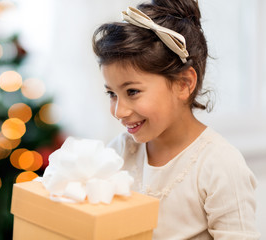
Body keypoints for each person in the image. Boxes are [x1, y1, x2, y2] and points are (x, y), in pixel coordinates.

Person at [92, 0, 260, 239]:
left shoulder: (219, 165)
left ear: (184, 84)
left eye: (132, 92)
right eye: (112, 94)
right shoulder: (120, 151)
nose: (119, 111)